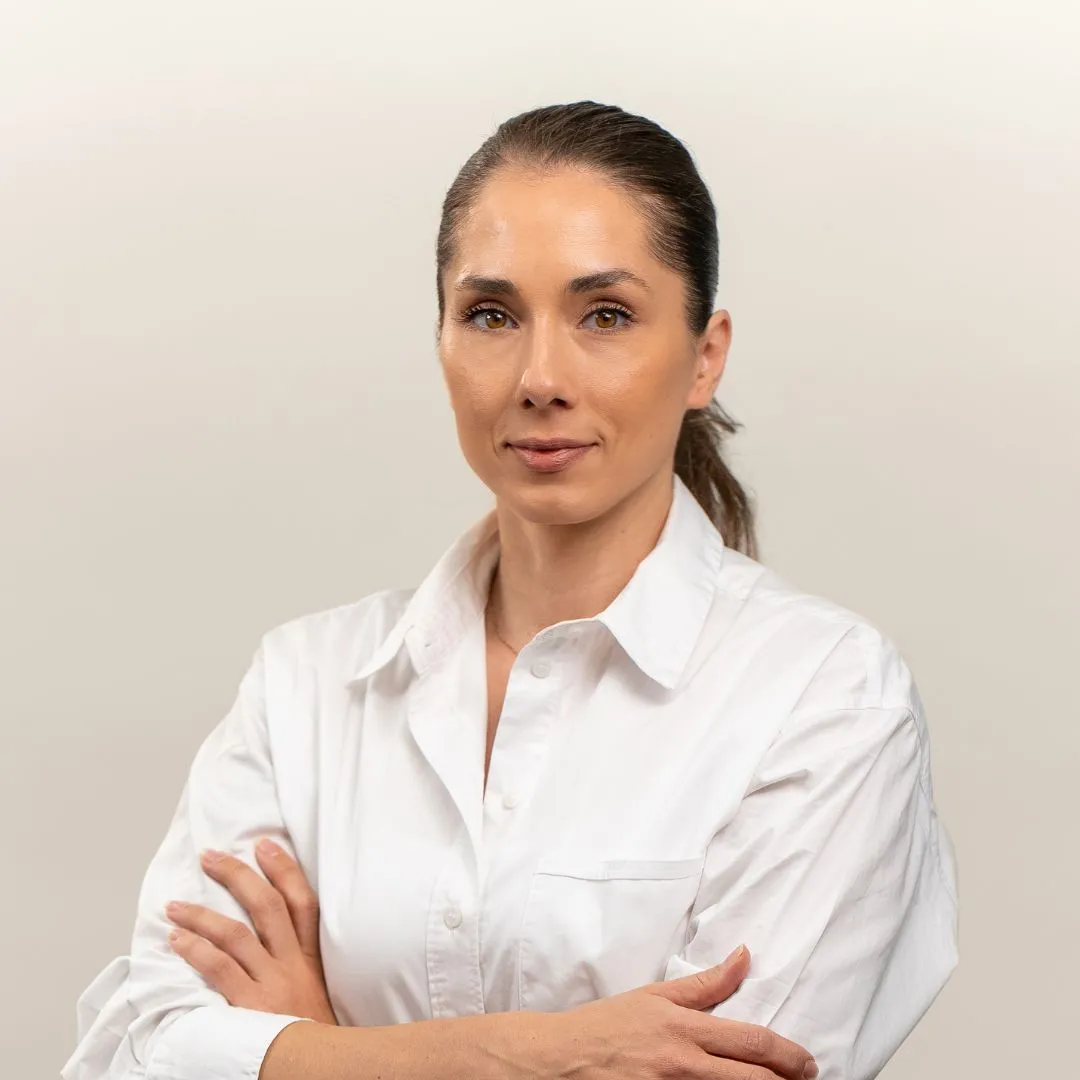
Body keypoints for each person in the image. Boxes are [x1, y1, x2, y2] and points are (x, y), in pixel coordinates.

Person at [62, 101, 958, 1080]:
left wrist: (313, 1052)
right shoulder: (304, 688)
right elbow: (127, 1053)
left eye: (605, 315)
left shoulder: (822, 698)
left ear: (706, 355)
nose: (539, 377)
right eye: (491, 314)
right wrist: (549, 1052)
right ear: (442, 339)